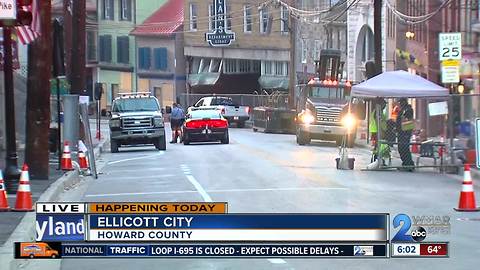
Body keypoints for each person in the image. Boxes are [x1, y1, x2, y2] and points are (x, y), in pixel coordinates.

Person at [396, 98, 415, 171]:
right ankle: (405, 163)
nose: (399, 104)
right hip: (401, 132)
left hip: (405, 132)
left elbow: (407, 120)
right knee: (401, 148)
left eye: (400, 102)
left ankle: (409, 164)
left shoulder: (408, 109)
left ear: (404, 102)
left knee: (404, 148)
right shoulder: (402, 110)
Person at [369, 98, 390, 164]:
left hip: (377, 131)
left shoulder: (378, 111)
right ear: (380, 104)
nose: (385, 106)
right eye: (384, 104)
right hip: (377, 131)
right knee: (378, 146)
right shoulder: (377, 112)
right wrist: (381, 131)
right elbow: (378, 122)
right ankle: (377, 160)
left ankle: (378, 160)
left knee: (378, 146)